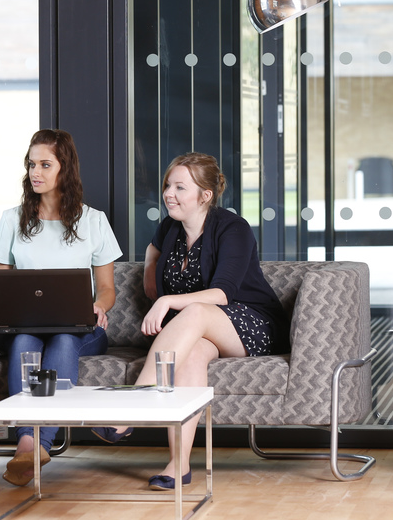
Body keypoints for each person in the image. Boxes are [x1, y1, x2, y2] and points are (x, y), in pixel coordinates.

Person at [92, 152, 289, 491]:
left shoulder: (233, 228)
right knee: (193, 352)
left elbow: (223, 294)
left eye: (180, 187)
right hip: (204, 329)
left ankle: (132, 407)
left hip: (251, 323)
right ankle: (178, 464)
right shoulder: (170, 228)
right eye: (168, 185)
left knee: (193, 312)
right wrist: (152, 267)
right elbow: (154, 255)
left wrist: (168, 301)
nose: (169, 193)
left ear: (205, 195)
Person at [0, 129, 122, 486]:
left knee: (64, 339)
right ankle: (31, 446)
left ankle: (32, 445)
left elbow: (108, 288)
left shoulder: (93, 221)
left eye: (46, 164)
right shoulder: (12, 219)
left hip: (80, 329)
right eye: (32, 164)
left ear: (66, 169)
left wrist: (97, 305)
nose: (36, 172)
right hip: (26, 327)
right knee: (23, 344)